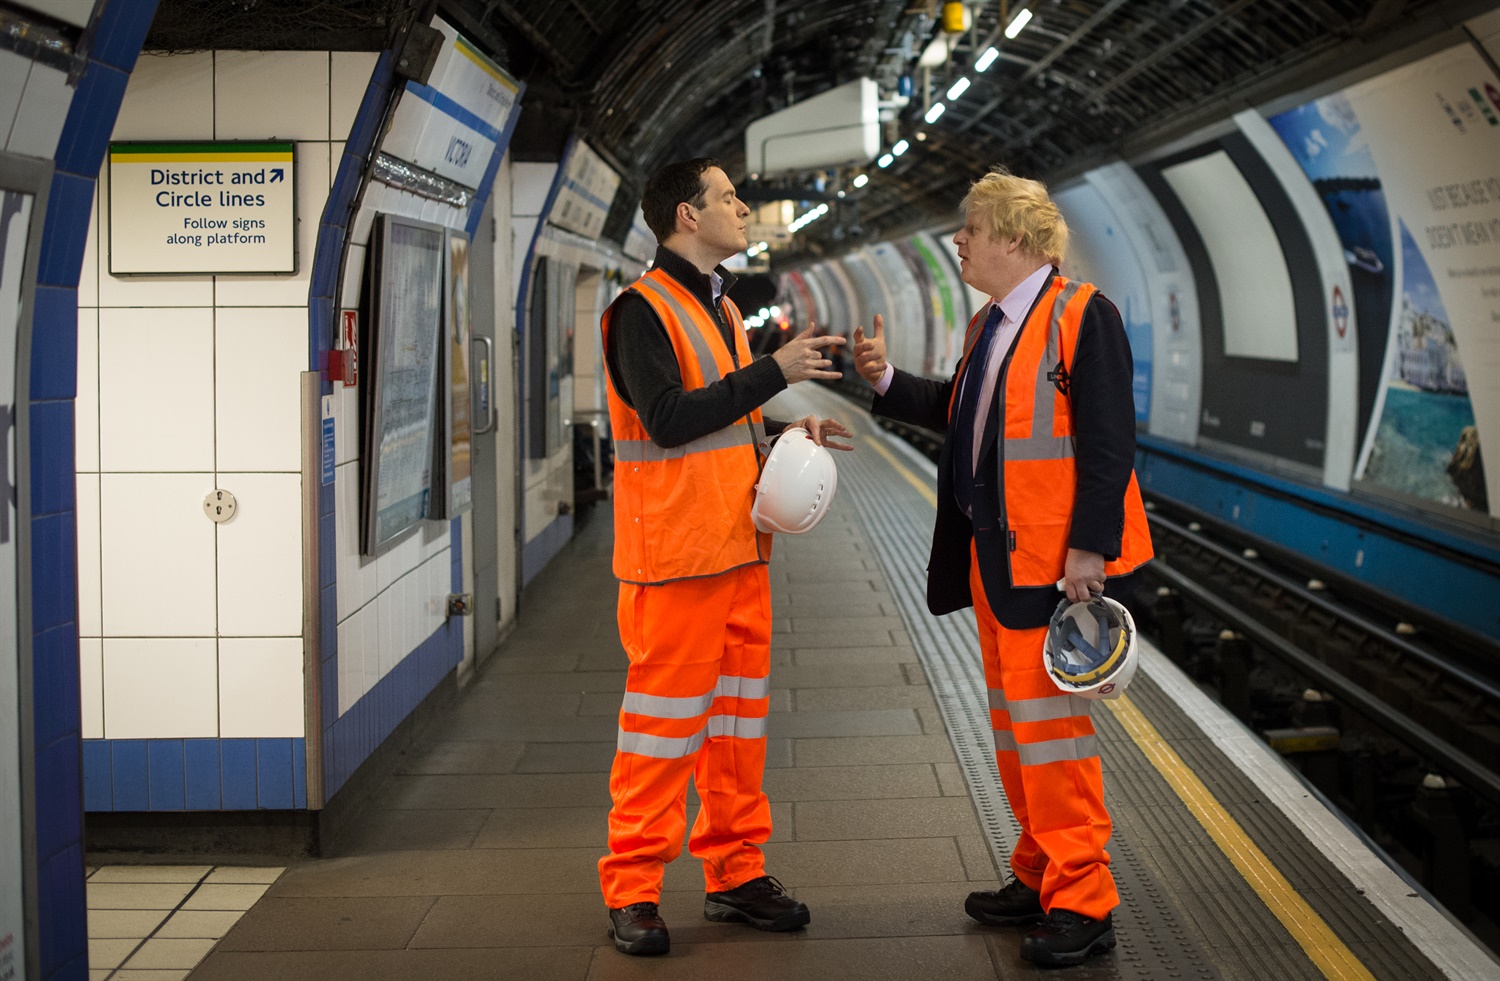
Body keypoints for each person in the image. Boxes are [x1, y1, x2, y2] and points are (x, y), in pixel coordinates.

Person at [851, 168, 1152, 968]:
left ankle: (1084, 900)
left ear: (1016, 239)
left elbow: (1109, 439)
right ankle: (1040, 870)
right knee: (1017, 737)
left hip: (1051, 570)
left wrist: (1089, 545)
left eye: (970, 230)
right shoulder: (994, 324)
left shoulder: (1083, 318)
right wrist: (882, 379)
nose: (958, 241)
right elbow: (960, 410)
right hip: (993, 562)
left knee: (1053, 741)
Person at [598, 157, 851, 956]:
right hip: (674, 561)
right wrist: (776, 373)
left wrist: (779, 432)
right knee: (661, 733)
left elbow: (722, 424)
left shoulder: (721, 307)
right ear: (686, 215)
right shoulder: (640, 310)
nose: (743, 209)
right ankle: (633, 889)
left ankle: (736, 872)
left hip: (738, 551)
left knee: (736, 731)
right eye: (728, 199)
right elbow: (669, 418)